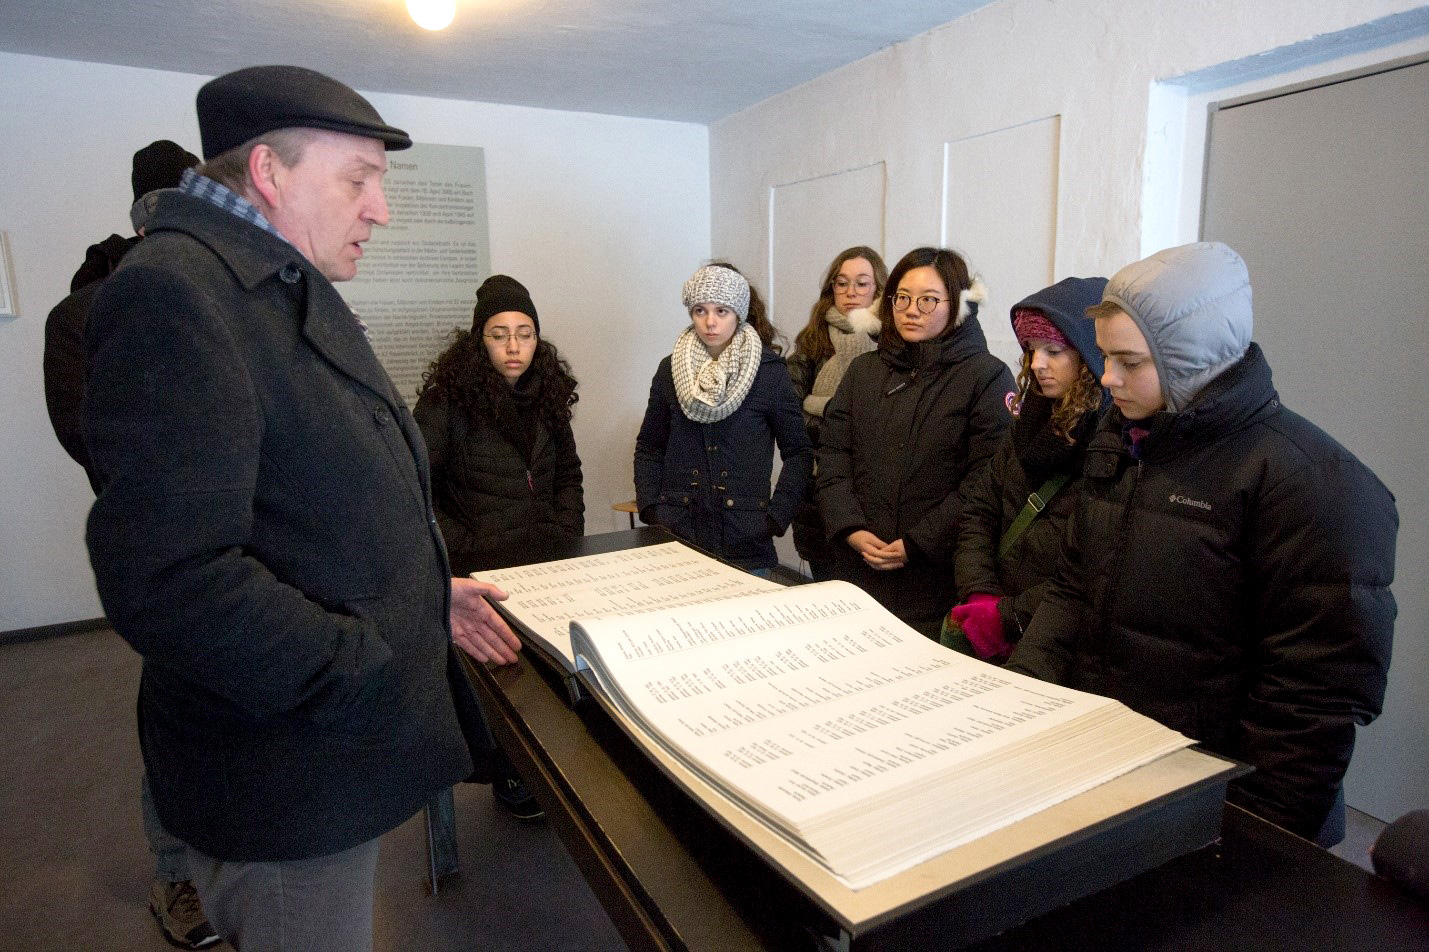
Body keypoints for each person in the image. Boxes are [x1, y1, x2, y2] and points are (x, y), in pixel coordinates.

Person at [81, 65, 522, 950]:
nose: (380, 210)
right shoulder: (175, 294)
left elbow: (309, 502)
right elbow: (167, 578)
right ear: (270, 174)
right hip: (281, 778)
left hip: (317, 751)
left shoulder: (270, 281)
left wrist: (422, 596)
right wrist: (355, 662)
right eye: (358, 180)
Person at [1006, 242, 1397, 845]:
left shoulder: (1314, 486)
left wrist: (1248, 837)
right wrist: (1021, 702)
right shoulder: (1124, 440)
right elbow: (1073, 588)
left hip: (1220, 806)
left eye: (1127, 361)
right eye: (1106, 357)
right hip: (1115, 771)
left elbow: (1308, 706)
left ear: (1191, 360)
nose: (1106, 378)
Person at [42, 140, 219, 950]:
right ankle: (177, 871)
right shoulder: (85, 315)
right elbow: (91, 435)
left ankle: (241, 853)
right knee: (178, 704)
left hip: (245, 535)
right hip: (163, 545)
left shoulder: (221, 295)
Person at [414, 273, 582, 820]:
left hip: (545, 561)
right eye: (499, 334)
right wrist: (463, 544)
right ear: (477, 340)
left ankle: (542, 769)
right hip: (482, 570)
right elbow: (417, 486)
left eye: (525, 333)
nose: (514, 347)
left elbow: (569, 473)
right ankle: (510, 771)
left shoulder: (549, 396)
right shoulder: (448, 402)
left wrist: (564, 529)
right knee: (498, 682)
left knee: (550, 677)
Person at [817, 247, 1015, 638]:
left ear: (957, 304)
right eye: (901, 298)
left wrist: (917, 542)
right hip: (857, 569)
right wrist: (850, 527)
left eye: (928, 300)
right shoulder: (864, 371)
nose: (911, 310)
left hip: (935, 578)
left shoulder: (986, 377)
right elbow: (833, 454)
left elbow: (985, 480)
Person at [946, 276, 1108, 661]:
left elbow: (1090, 564)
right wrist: (980, 594)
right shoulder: (1028, 423)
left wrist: (1007, 617)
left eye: (1053, 350)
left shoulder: (1109, 439)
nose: (1037, 364)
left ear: (1089, 357)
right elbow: (979, 510)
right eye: (1032, 349)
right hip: (992, 619)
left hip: (1059, 640)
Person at [634, 263, 812, 574]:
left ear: (739, 313)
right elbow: (649, 447)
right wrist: (651, 509)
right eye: (700, 310)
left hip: (745, 542)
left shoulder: (768, 373)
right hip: (678, 539)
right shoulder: (670, 369)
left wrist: (774, 517)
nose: (710, 322)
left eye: (721, 311)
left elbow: (798, 453)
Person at [44, 140, 199, 493]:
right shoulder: (78, 318)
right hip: (149, 519)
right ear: (145, 226)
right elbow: (91, 438)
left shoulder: (233, 298)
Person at [786, 246, 888, 580]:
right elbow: (788, 414)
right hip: (819, 490)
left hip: (878, 491)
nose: (850, 293)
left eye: (861, 284)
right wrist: (839, 417)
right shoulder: (814, 341)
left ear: (879, 289)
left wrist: (819, 407)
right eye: (841, 284)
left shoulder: (894, 340)